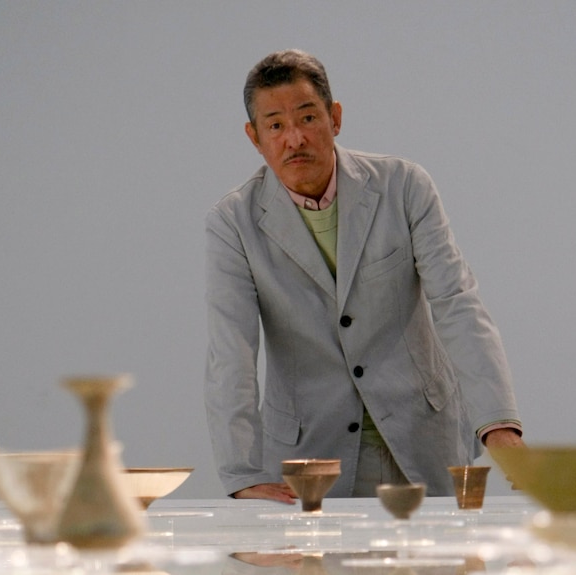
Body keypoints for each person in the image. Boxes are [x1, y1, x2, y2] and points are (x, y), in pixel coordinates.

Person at [205, 49, 524, 503]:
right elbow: (230, 348)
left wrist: (497, 424)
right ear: (254, 137)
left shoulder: (404, 186)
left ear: (335, 118)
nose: (294, 137)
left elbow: (457, 302)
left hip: (423, 439)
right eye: (275, 125)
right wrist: (241, 472)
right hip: (310, 458)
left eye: (307, 117)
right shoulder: (232, 222)